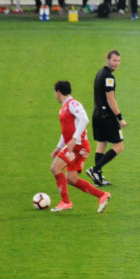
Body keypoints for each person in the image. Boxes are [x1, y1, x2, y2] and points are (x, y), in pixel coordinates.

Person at [49, 80, 110, 213]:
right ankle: (102, 195)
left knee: (55, 167)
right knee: (71, 179)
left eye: (55, 93)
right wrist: (59, 147)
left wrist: (74, 138)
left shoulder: (72, 104)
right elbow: (66, 131)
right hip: (79, 147)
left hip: (78, 146)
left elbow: (84, 119)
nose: (55, 96)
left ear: (58, 92)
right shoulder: (64, 108)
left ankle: (65, 202)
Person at [86, 50, 125, 187]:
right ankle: (95, 169)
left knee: (101, 145)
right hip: (106, 116)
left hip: (97, 114)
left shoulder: (100, 73)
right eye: (114, 60)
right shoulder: (109, 77)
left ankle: (98, 178)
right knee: (119, 146)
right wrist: (120, 117)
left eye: (118, 61)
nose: (116, 63)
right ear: (107, 59)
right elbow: (110, 99)